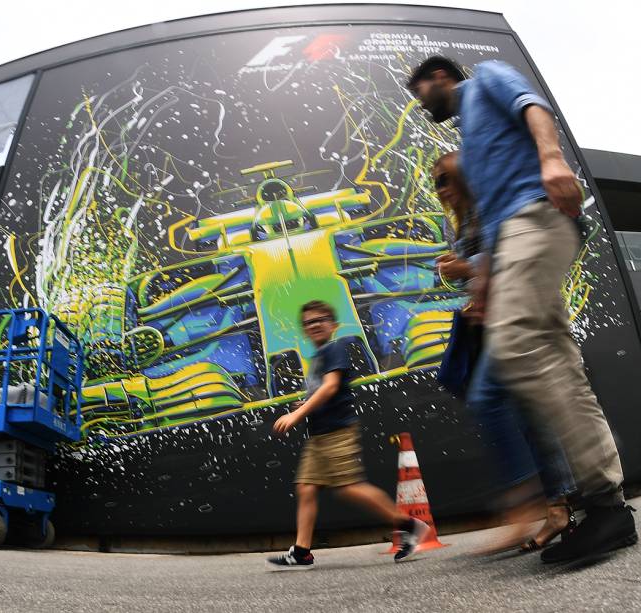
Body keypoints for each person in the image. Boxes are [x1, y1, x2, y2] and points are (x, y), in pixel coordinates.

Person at [408, 56, 637, 562]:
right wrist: (485, 284)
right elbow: (488, 222)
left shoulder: (486, 77)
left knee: (516, 348)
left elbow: (532, 104)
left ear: (440, 77)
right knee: (560, 364)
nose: (418, 101)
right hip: (514, 237)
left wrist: (553, 159)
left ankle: (586, 494)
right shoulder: (472, 136)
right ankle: (604, 504)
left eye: (418, 89)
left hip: (534, 218)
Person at [433, 152, 576, 552]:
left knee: (487, 399)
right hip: (492, 322)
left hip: (519, 316)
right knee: (528, 414)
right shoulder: (456, 221)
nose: (440, 189)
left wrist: (466, 268)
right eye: (436, 182)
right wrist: (460, 276)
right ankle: (557, 504)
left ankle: (523, 504)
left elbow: (506, 252)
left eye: (445, 179)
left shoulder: (487, 206)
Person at [266, 300, 428, 570]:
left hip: (337, 431)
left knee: (349, 487)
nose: (315, 325)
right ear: (304, 330)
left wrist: (298, 414)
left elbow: (330, 387)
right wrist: (304, 406)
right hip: (319, 434)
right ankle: (302, 551)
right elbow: (323, 391)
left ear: (333, 325)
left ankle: (410, 526)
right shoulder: (319, 357)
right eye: (309, 322)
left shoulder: (335, 348)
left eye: (321, 319)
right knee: (306, 488)